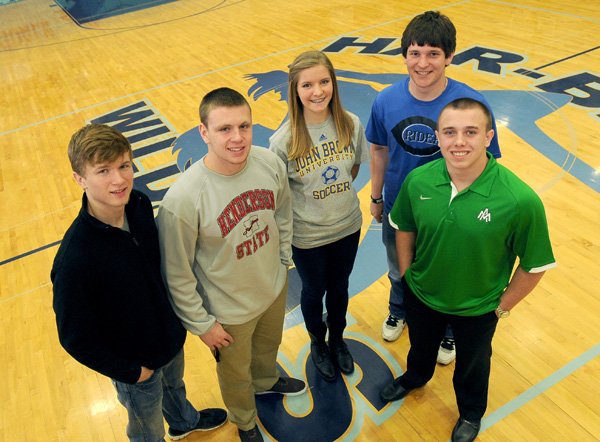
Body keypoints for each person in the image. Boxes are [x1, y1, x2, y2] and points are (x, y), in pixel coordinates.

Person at [380, 98, 556, 442]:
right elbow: (404, 227)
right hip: (422, 293)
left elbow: (535, 266)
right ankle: (415, 376)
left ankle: (471, 413)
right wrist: (406, 274)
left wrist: (501, 307)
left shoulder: (519, 200)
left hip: (478, 309)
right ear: (438, 137)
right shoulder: (419, 181)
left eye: (470, 132)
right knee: (420, 347)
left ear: (488, 137)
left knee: (472, 368)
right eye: (450, 132)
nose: (459, 142)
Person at [51, 124, 227, 442]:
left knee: (175, 386)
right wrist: (132, 372)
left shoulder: (140, 205)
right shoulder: (75, 259)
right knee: (146, 429)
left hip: (169, 338)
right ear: (80, 179)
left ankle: (183, 422)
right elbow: (75, 339)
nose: (119, 180)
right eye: (103, 171)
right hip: (135, 366)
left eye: (124, 165)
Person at [156, 87, 306, 442]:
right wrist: (202, 324)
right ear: (204, 132)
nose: (237, 138)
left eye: (244, 126)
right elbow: (176, 274)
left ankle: (267, 381)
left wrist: (284, 258)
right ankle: (245, 420)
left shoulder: (268, 162)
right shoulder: (183, 200)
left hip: (272, 287)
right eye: (224, 129)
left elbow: (283, 210)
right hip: (228, 311)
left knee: (268, 349)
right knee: (236, 374)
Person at [366, 10, 502, 364]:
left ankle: (449, 331)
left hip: (452, 214)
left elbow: (489, 164)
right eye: (414, 53)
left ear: (450, 57)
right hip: (401, 208)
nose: (422, 63)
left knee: (449, 274)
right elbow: (379, 149)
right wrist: (376, 195)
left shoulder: (471, 104)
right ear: (404, 55)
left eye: (433, 54)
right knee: (399, 269)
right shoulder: (385, 100)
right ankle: (399, 310)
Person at [268, 51, 370, 382]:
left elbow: (353, 168)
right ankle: (317, 342)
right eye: (307, 84)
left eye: (324, 82)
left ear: (333, 84)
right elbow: (279, 194)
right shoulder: (282, 141)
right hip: (308, 237)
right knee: (314, 291)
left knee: (340, 287)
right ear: (295, 91)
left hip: (347, 226)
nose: (317, 91)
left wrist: (331, 197)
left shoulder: (351, 123)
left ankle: (337, 340)